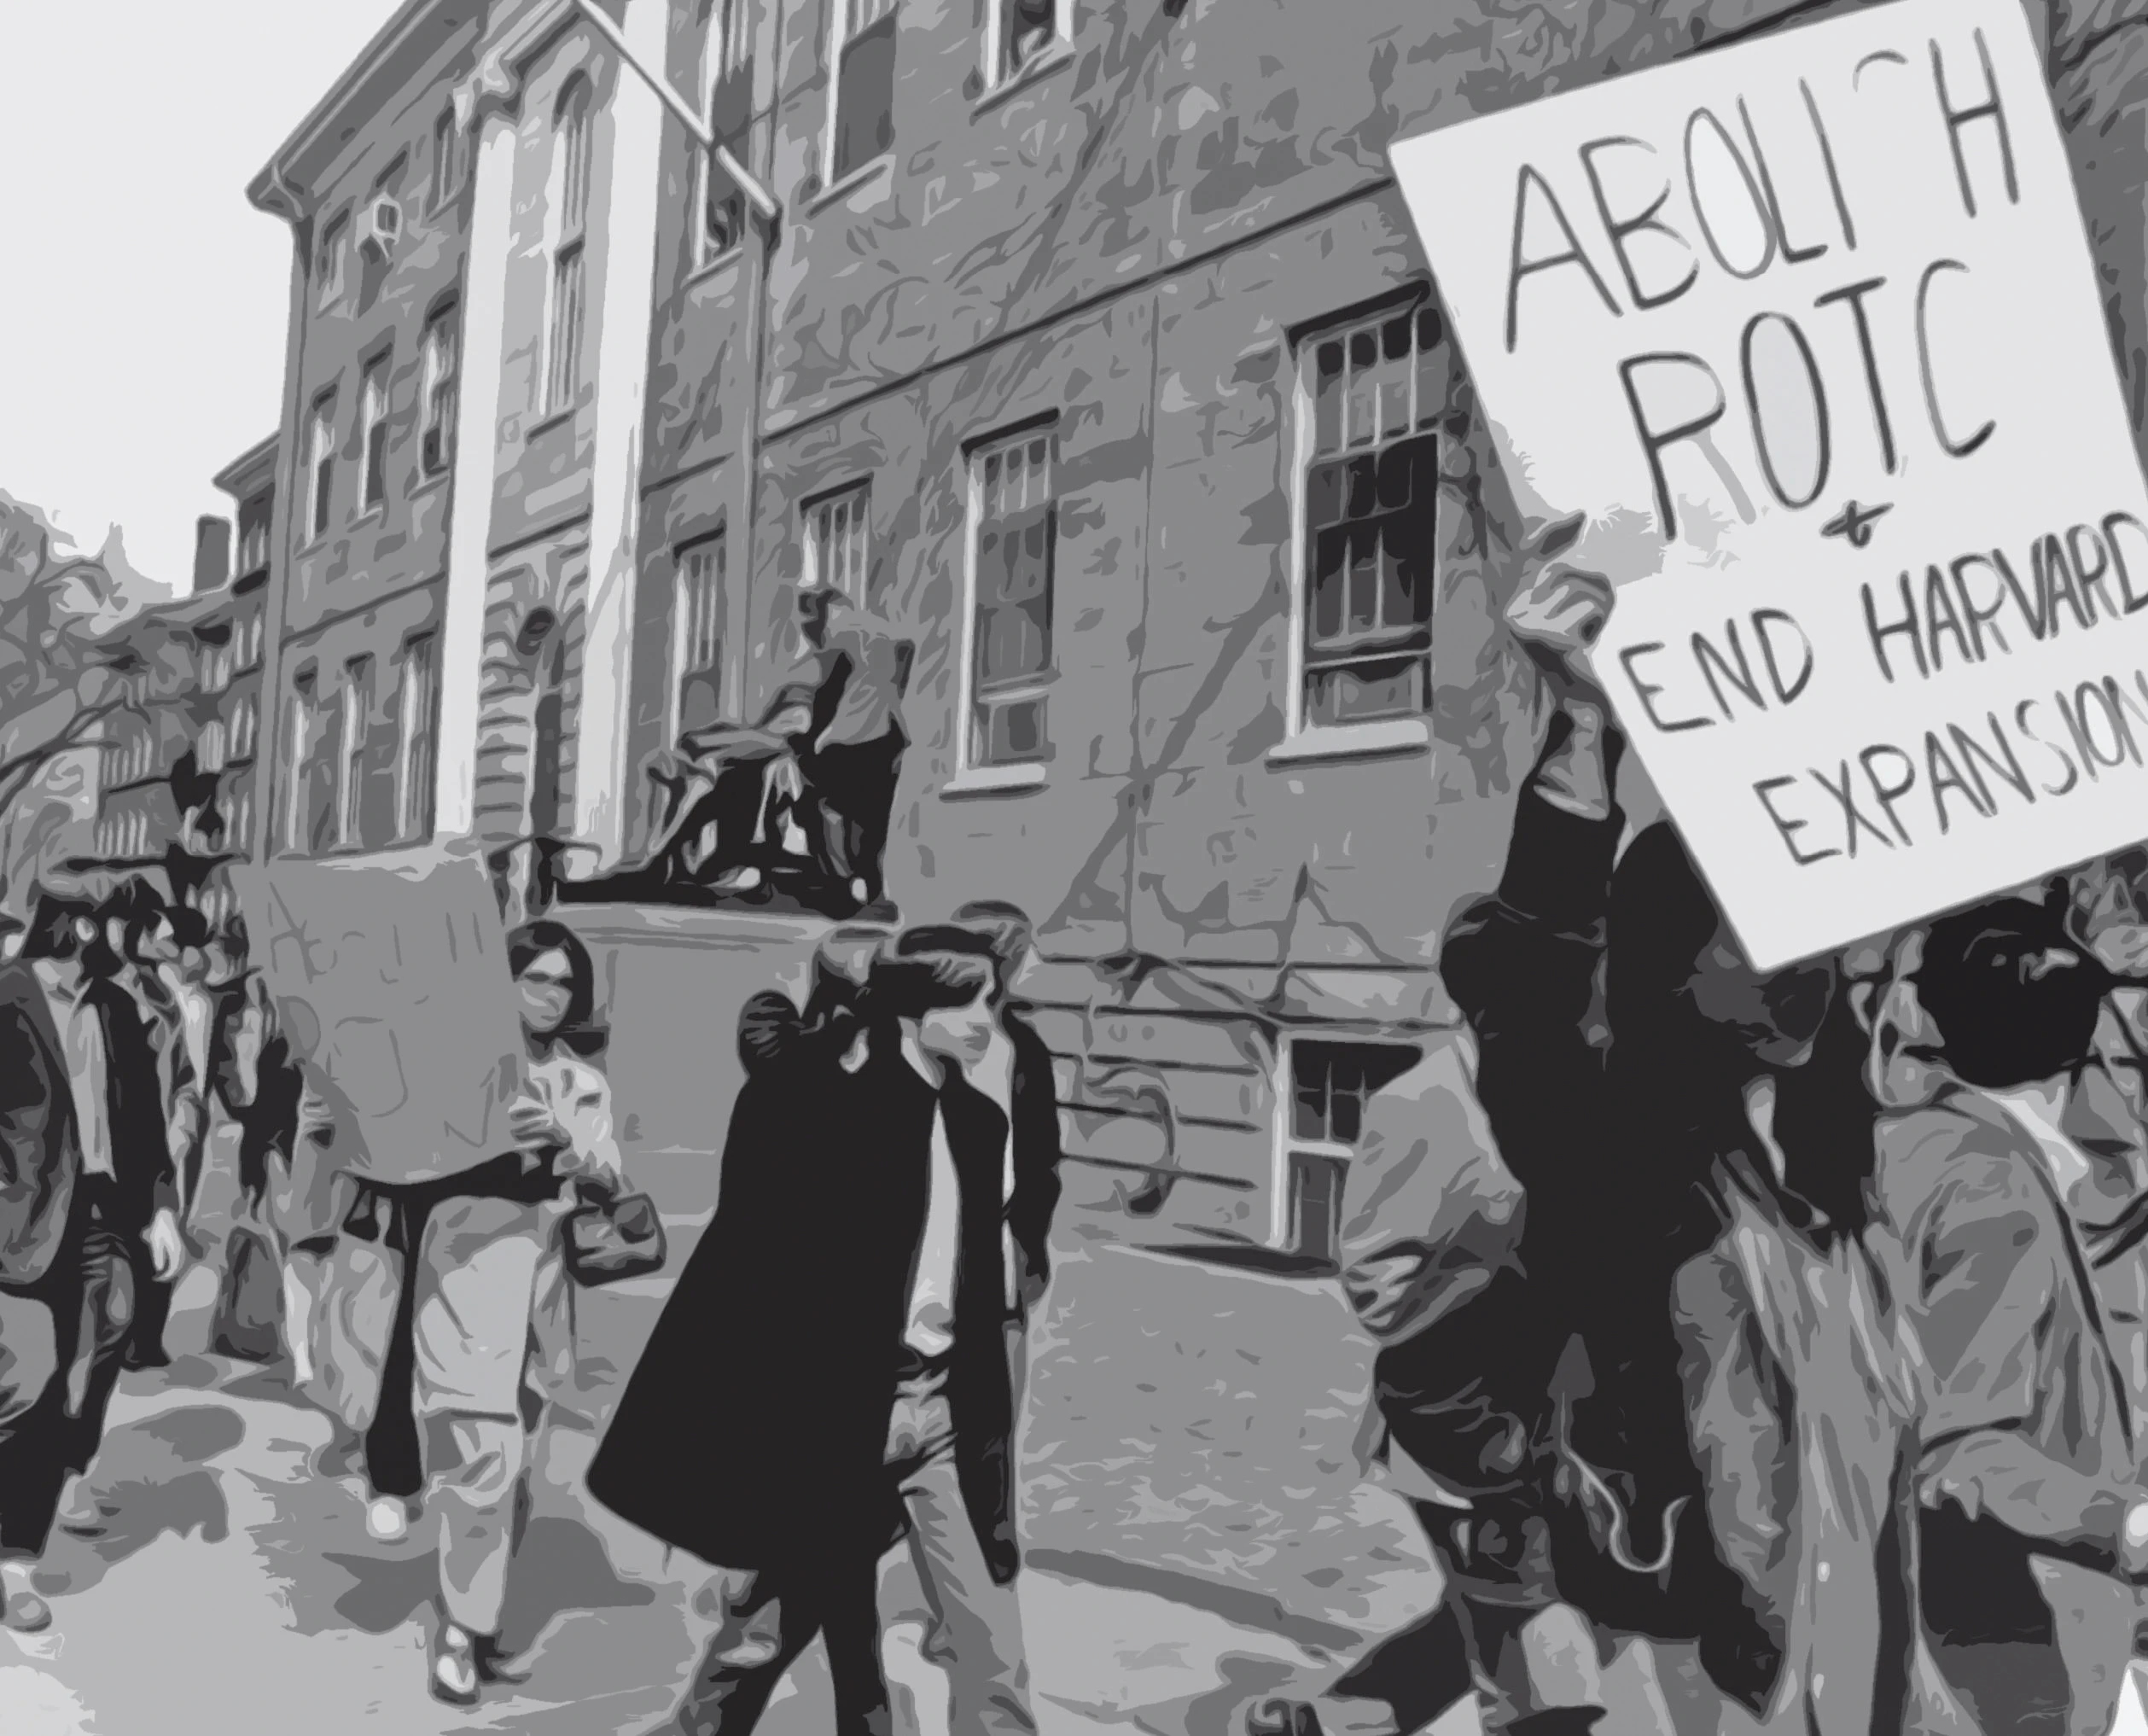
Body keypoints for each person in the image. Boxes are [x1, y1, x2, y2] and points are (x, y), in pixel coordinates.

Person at [1434, 549, 1961, 1733]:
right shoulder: (1627, 1174)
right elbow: (1528, 996)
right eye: (1758, 940)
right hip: (1707, 1677)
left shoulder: (1835, 1172)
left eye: (1816, 941)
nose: (1806, 969)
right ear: (1673, 959)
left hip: (1857, 1671)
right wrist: (1582, 717)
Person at [590, 946, 1034, 1736]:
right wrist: (830, 1036)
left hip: (941, 1416)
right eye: (967, 1006)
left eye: (991, 1004)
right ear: (910, 1011)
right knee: (769, 1627)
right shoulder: (837, 1104)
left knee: (989, 1644)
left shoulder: (979, 1121)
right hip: (838, 1411)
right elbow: (763, 1191)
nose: (984, 1024)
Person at [1868, 896, 2148, 1736]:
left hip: (1941, 1621)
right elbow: (1958, 1449)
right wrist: (2123, 1526)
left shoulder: (1899, 1147)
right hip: (2027, 1636)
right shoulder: (1994, 1188)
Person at [340, 919, 627, 1707]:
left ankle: (480, 1611)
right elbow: (393, 1168)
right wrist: (494, 1138)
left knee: (516, 1471)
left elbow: (608, 1182)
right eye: (535, 978)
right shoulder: (451, 1073)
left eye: (564, 983)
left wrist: (567, 1147)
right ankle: (461, 1635)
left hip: (543, 1299)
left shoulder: (581, 1083)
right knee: (485, 1465)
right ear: (501, 984)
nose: (550, 996)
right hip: (464, 1288)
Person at [0, 894, 176, 1633]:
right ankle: (12, 1565)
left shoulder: (115, 1005)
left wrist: (162, 1205)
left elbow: (143, 1116)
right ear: (77, 924)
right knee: (31, 1377)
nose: (128, 935)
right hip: (25, 1220)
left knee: (111, 1331)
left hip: (106, 1210)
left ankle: (64, 1467)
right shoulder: (7, 997)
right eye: (112, 920)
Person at [792, 585, 914, 919]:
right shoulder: (882, 635)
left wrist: (816, 739)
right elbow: (901, 662)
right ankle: (870, 888)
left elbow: (832, 694)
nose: (808, 632)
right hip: (883, 739)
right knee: (873, 820)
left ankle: (849, 885)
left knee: (822, 808)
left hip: (848, 744)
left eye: (810, 622)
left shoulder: (841, 638)